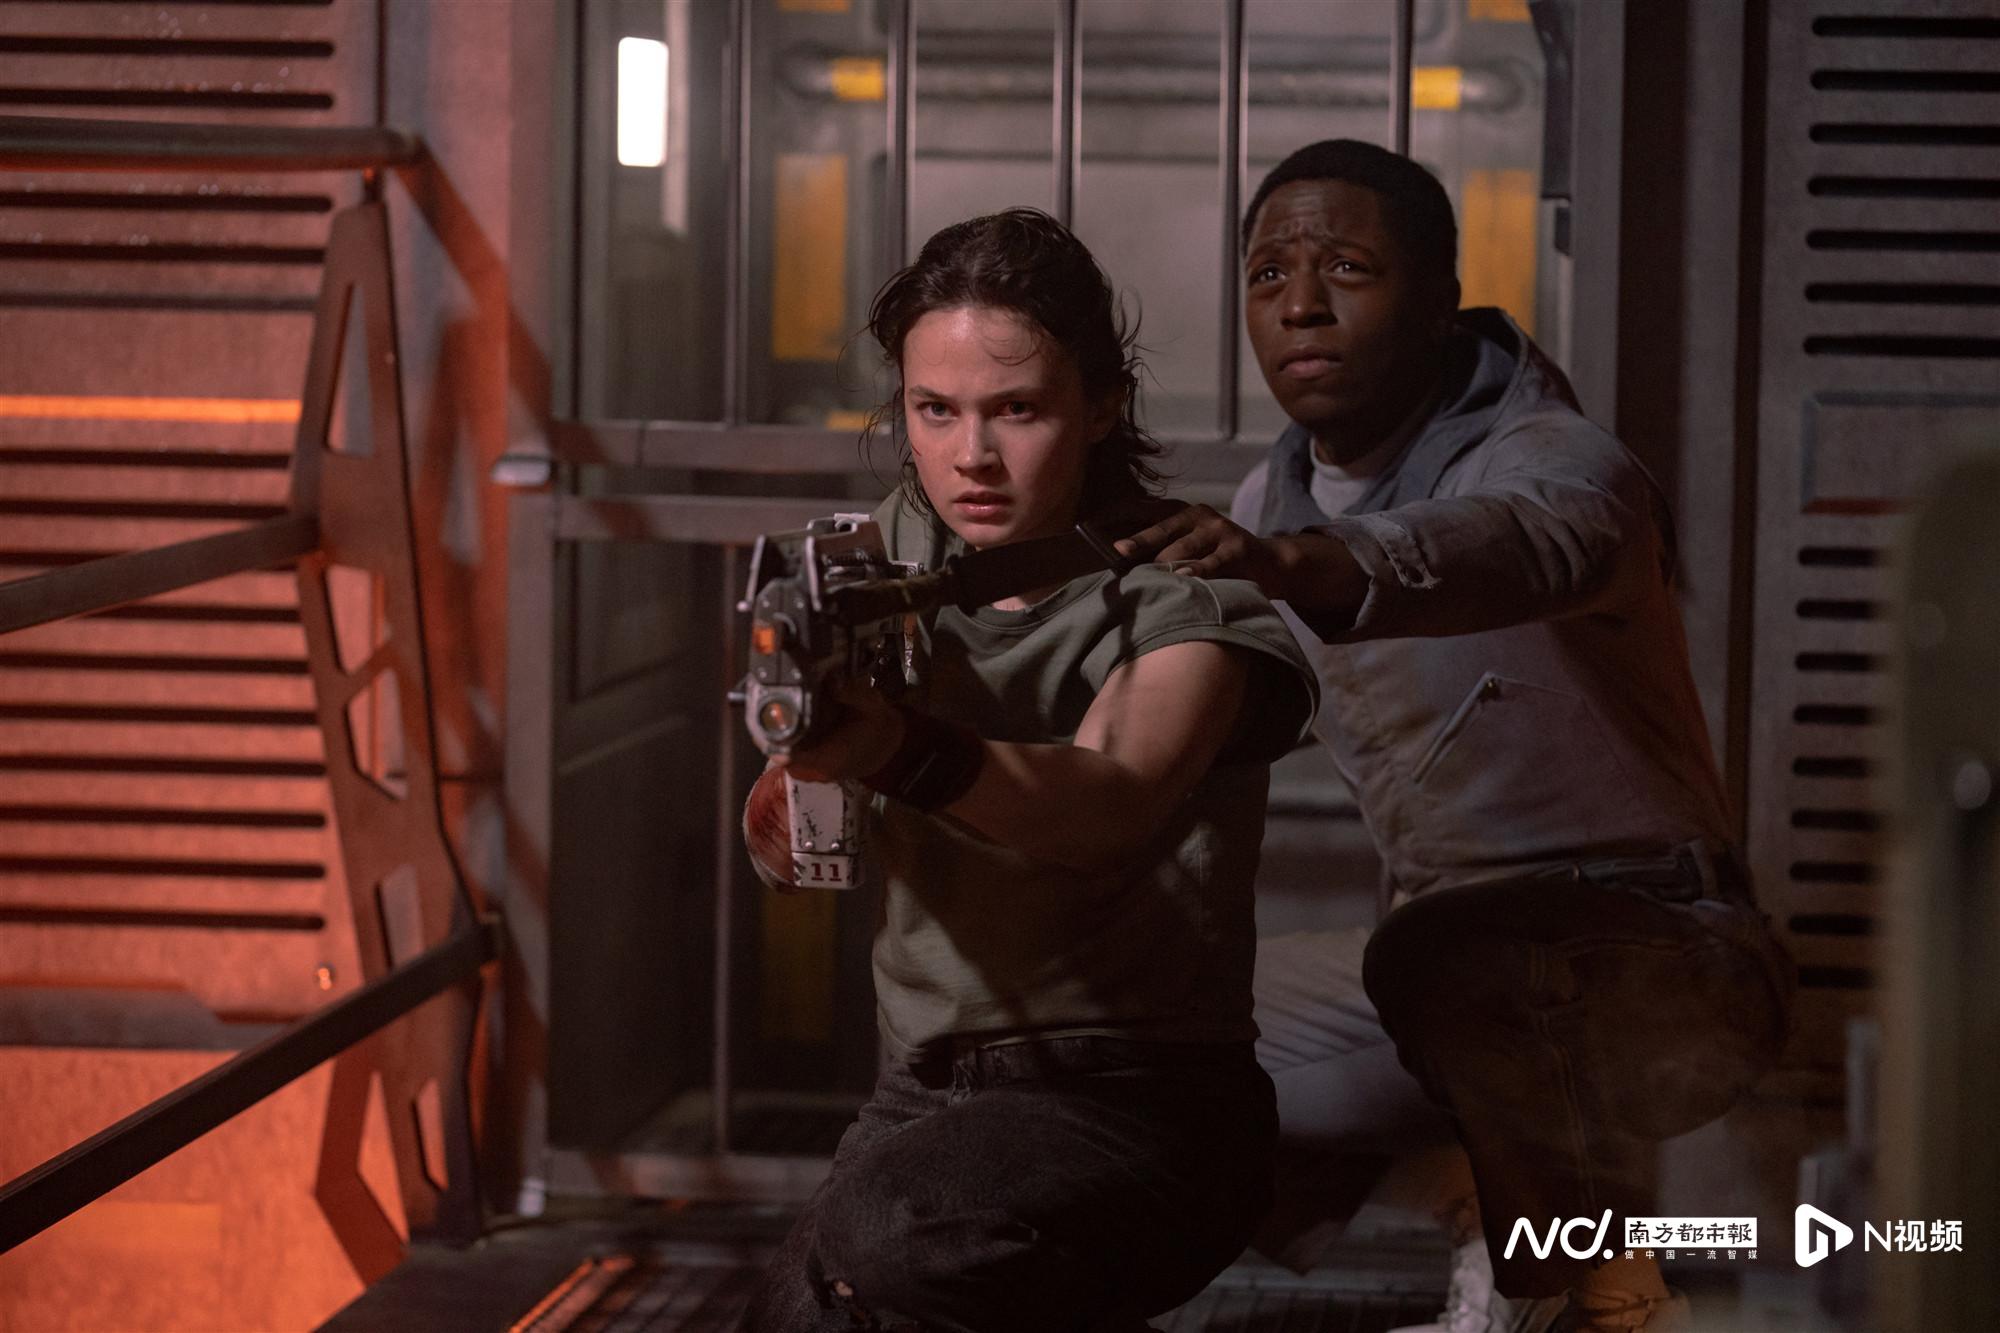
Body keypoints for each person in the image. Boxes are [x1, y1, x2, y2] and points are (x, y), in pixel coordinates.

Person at [1118, 140, 1795, 1333]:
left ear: (1438, 301)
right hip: (1440, 969)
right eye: (1268, 274)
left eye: (1345, 267)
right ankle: (1476, 1204)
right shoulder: (1271, 500)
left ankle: (1567, 1301)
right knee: (1113, 1014)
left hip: (1665, 952)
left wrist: (1299, 566)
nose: (1299, 304)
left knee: (1454, 957)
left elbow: (1528, 538)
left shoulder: (1553, 456)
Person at [740, 208, 1318, 1333]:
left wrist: (894, 748)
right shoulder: (897, 554)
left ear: (1100, 407)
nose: (972, 455)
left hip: (1138, 1103)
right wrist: (796, 784)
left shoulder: (1181, 594)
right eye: (934, 410)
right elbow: (786, 836)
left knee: (894, 1239)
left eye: (1017, 409)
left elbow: (1108, 802)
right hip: (921, 1091)